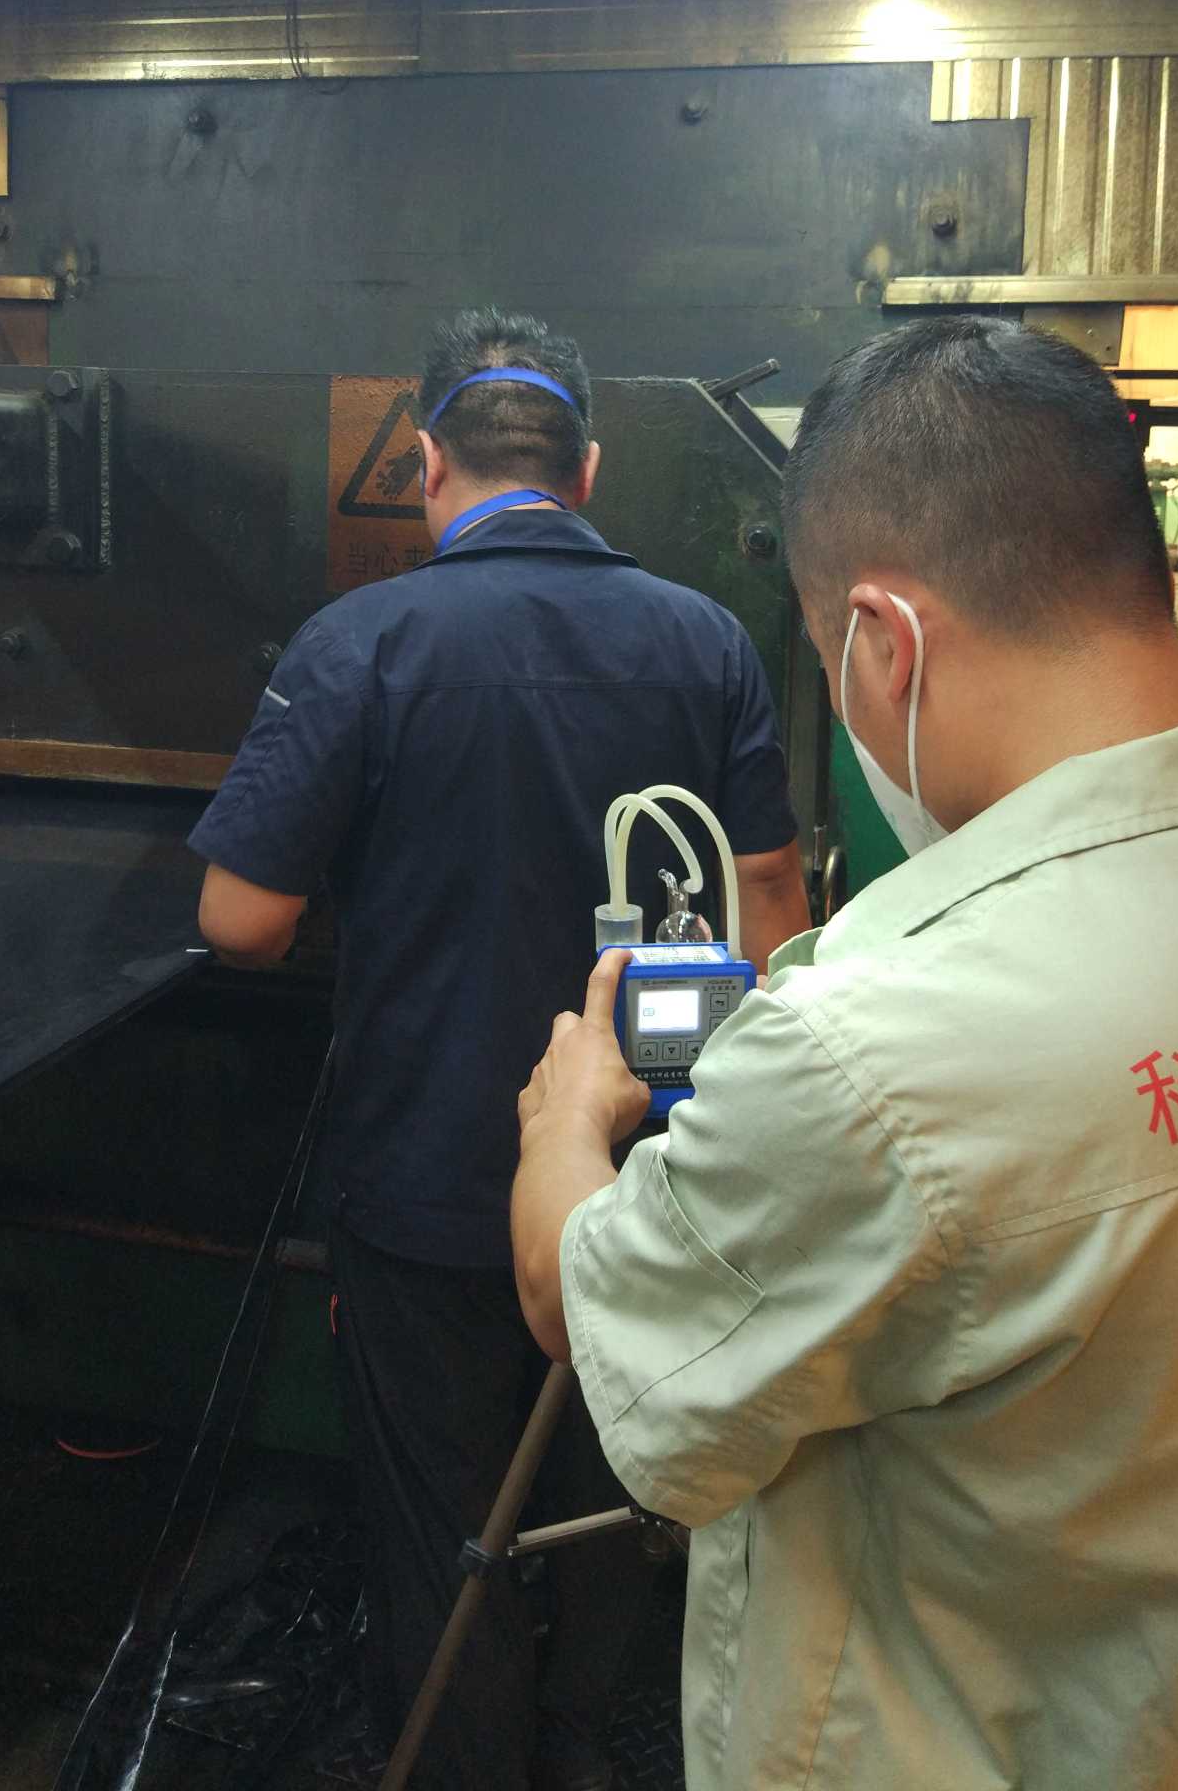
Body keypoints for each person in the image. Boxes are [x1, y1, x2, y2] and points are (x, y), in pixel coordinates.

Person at [512, 313, 1178, 1791]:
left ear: (884, 640)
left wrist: (564, 1121)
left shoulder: (874, 1051)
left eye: (829, 658)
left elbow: (583, 1303)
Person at [190, 307, 808, 1791]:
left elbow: (242, 920)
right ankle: (586, 1745)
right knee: (613, 1489)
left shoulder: (359, 642)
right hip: (647, 1177)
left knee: (441, 1529)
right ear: (585, 471)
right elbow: (775, 919)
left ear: (426, 467)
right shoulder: (707, 639)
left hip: (425, 1183)